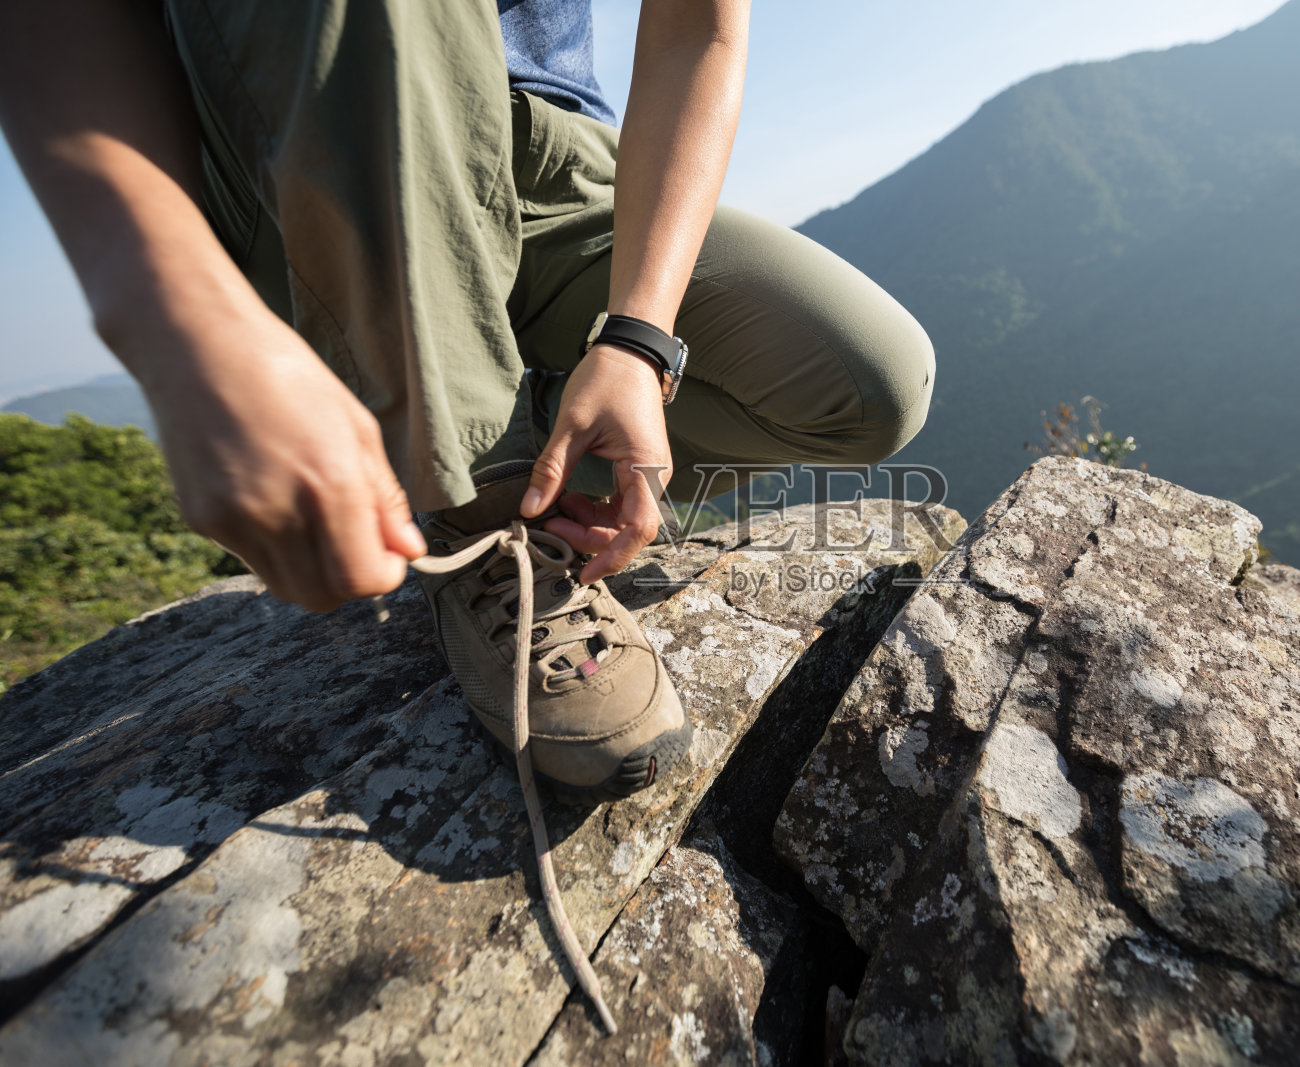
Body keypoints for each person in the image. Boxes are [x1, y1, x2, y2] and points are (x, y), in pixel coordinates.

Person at [0, 0, 932, 1028]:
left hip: (548, 148)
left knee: (868, 384)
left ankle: (508, 442)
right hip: (299, 162)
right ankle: (479, 505)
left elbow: (696, 29)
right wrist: (175, 317)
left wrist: (636, 341)